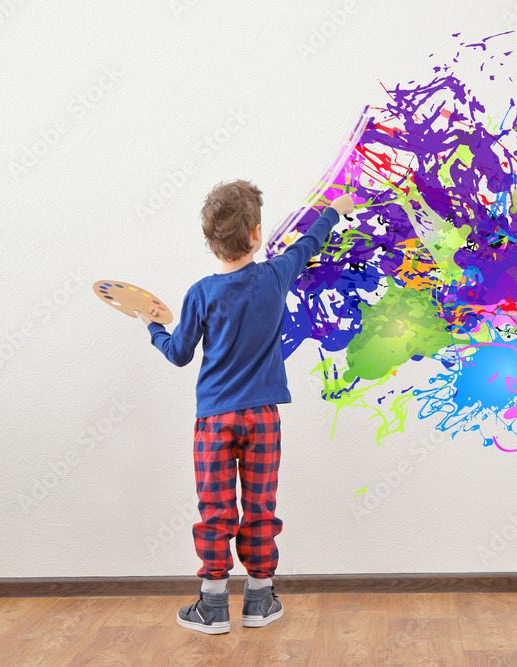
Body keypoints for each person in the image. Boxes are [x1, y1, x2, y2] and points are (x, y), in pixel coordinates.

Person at [137, 179, 354, 634]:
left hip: (215, 418)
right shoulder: (276, 275)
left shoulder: (200, 293)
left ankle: (213, 606)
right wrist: (336, 209)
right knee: (259, 506)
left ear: (209, 240)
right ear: (256, 233)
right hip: (263, 417)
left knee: (216, 508)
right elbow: (312, 240)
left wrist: (153, 327)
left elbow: (179, 353)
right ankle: (259, 599)